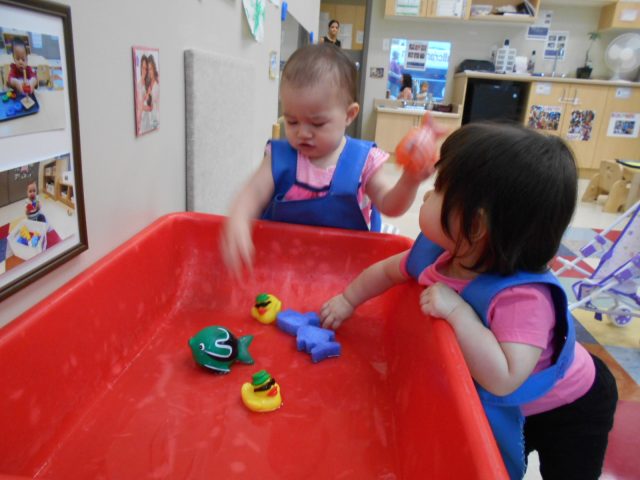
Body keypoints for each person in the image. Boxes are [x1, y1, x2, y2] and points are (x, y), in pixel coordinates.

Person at [320, 122, 618, 480]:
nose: (428, 197)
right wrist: (346, 301)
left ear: (475, 227)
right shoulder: (440, 255)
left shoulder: (523, 298)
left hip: (569, 408)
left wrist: (458, 312)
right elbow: (386, 273)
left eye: (440, 189)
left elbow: (504, 377)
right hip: (517, 407)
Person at [221, 44, 441, 276]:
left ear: (349, 115)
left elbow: (390, 204)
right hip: (280, 266)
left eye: (317, 123)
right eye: (292, 121)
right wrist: (239, 219)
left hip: (343, 272)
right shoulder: (278, 157)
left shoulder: (363, 162)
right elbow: (252, 193)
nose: (302, 132)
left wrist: (410, 180)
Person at [140, 54, 159, 132]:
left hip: (153, 123)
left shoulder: (156, 86)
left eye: (151, 69)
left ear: (154, 68)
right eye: (148, 69)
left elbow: (152, 107)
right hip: (147, 122)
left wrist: (140, 107)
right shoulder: (148, 83)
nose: (149, 72)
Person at [135, 54, 149, 131]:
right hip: (142, 120)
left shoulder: (148, 84)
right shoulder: (138, 85)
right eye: (143, 68)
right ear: (140, 67)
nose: (144, 71)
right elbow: (140, 106)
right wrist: (149, 108)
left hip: (148, 120)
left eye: (146, 69)